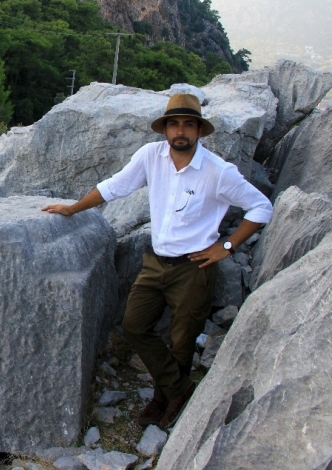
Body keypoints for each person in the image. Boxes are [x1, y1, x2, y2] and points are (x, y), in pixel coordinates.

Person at [42, 93, 273, 430]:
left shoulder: (218, 171)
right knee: (135, 325)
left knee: (182, 342)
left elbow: (261, 207)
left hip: (195, 268)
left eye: (188, 124)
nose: (181, 131)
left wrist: (227, 245)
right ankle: (179, 390)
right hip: (154, 262)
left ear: (198, 130)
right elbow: (115, 187)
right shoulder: (151, 156)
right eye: (174, 123)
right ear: (165, 129)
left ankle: (162, 399)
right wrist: (73, 208)